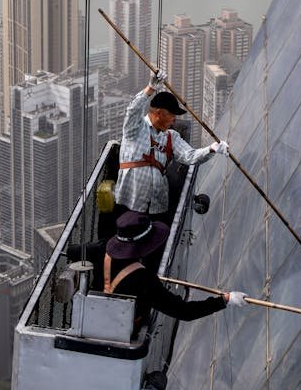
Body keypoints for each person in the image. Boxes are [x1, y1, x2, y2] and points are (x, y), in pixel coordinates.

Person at [103, 210, 245, 335]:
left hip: (95, 321)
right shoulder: (144, 280)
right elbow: (184, 311)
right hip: (122, 333)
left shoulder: (101, 250)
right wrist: (225, 300)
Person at [113, 71, 229, 223]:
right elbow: (132, 111)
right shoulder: (136, 129)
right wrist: (150, 89)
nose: (174, 120)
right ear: (159, 113)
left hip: (156, 206)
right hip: (130, 201)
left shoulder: (171, 137)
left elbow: (189, 156)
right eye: (172, 115)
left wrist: (211, 149)